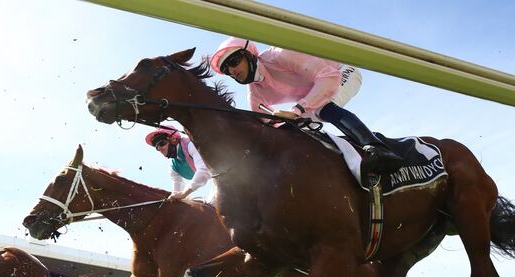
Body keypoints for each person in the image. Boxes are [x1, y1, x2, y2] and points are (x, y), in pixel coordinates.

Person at [210, 36, 404, 175]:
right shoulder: (255, 93)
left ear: (249, 55)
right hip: (316, 92)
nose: (232, 70)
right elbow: (262, 130)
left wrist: (297, 110)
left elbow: (328, 78)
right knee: (290, 128)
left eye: (234, 61)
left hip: (340, 72)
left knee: (321, 108)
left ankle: (379, 149)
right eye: (227, 70)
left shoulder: (279, 55)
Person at [144, 125, 212, 201]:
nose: (160, 148)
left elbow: (204, 170)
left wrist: (184, 194)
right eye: (156, 147)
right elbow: (176, 193)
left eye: (161, 143)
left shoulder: (190, 145)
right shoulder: (174, 168)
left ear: (173, 139)